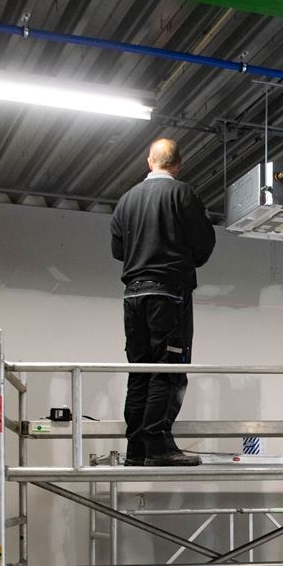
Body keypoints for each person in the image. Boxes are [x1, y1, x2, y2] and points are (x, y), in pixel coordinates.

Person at [110, 138, 216, 466]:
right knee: (168, 370)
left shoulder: (126, 200)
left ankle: (136, 450)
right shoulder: (182, 194)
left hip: (134, 295)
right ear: (178, 164)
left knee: (140, 371)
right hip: (168, 294)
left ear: (149, 161)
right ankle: (158, 446)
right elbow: (204, 242)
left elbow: (118, 251)